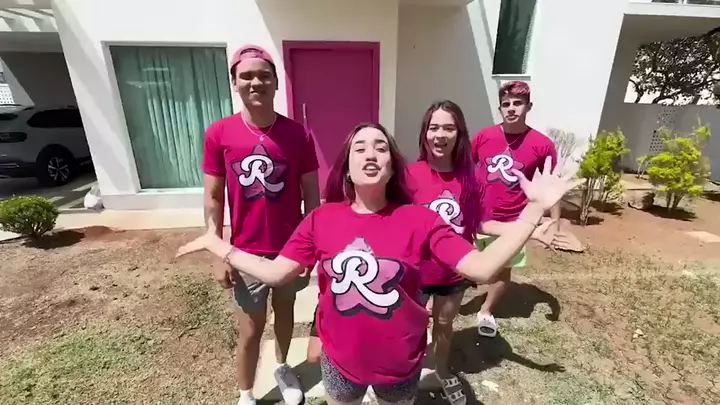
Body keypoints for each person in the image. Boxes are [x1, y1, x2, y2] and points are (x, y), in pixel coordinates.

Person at [180, 122, 578, 405]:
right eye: (360, 148)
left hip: (400, 365)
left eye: (381, 147)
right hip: (339, 363)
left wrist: (533, 211)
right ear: (346, 166)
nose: (371, 154)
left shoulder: (420, 219)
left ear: (392, 165)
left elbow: (482, 268)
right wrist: (220, 246)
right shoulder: (320, 219)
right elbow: (276, 273)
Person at [406, 100, 557, 405]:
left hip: (455, 273)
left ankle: (441, 371)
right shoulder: (408, 175)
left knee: (444, 325)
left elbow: (482, 223)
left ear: (460, 134)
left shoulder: (471, 178)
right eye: (433, 128)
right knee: (410, 327)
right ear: (424, 133)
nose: (440, 135)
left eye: (448, 128)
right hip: (416, 272)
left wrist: (529, 229)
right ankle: (405, 376)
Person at [201, 44, 320, 405]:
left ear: (276, 82)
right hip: (245, 253)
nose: (256, 82)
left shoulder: (299, 135)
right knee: (251, 329)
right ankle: (246, 394)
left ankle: (282, 367)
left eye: (264, 75)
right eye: (247, 76)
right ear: (234, 83)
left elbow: (311, 197)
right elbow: (213, 198)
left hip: (289, 252)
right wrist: (218, 252)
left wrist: (309, 250)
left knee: (285, 314)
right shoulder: (219, 133)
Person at [471, 81, 560, 338]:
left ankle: (486, 310)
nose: (511, 108)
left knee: (502, 270)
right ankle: (443, 303)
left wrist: (554, 223)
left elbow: (550, 187)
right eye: (506, 104)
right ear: (500, 108)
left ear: (528, 107)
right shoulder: (483, 137)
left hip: (514, 222)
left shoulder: (542, 145)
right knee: (461, 263)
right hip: (477, 217)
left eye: (517, 103)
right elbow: (464, 170)